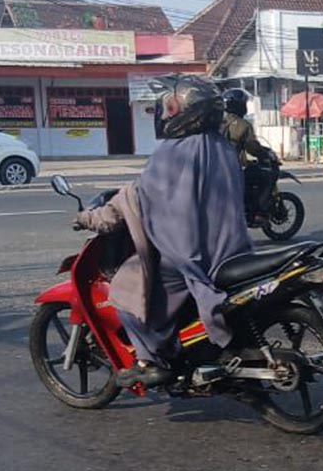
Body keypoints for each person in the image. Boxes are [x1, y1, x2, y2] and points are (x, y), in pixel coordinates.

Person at [76, 74, 253, 387]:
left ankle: (151, 360)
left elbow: (135, 200)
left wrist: (90, 218)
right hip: (232, 248)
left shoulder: (172, 153)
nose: (164, 112)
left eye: (168, 106)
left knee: (128, 288)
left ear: (181, 111)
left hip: (192, 255)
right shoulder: (223, 146)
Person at [222, 88, 275, 225]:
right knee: (267, 177)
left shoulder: (218, 122)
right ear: (239, 105)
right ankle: (257, 213)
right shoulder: (243, 125)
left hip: (215, 169)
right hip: (232, 170)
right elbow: (252, 147)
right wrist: (265, 155)